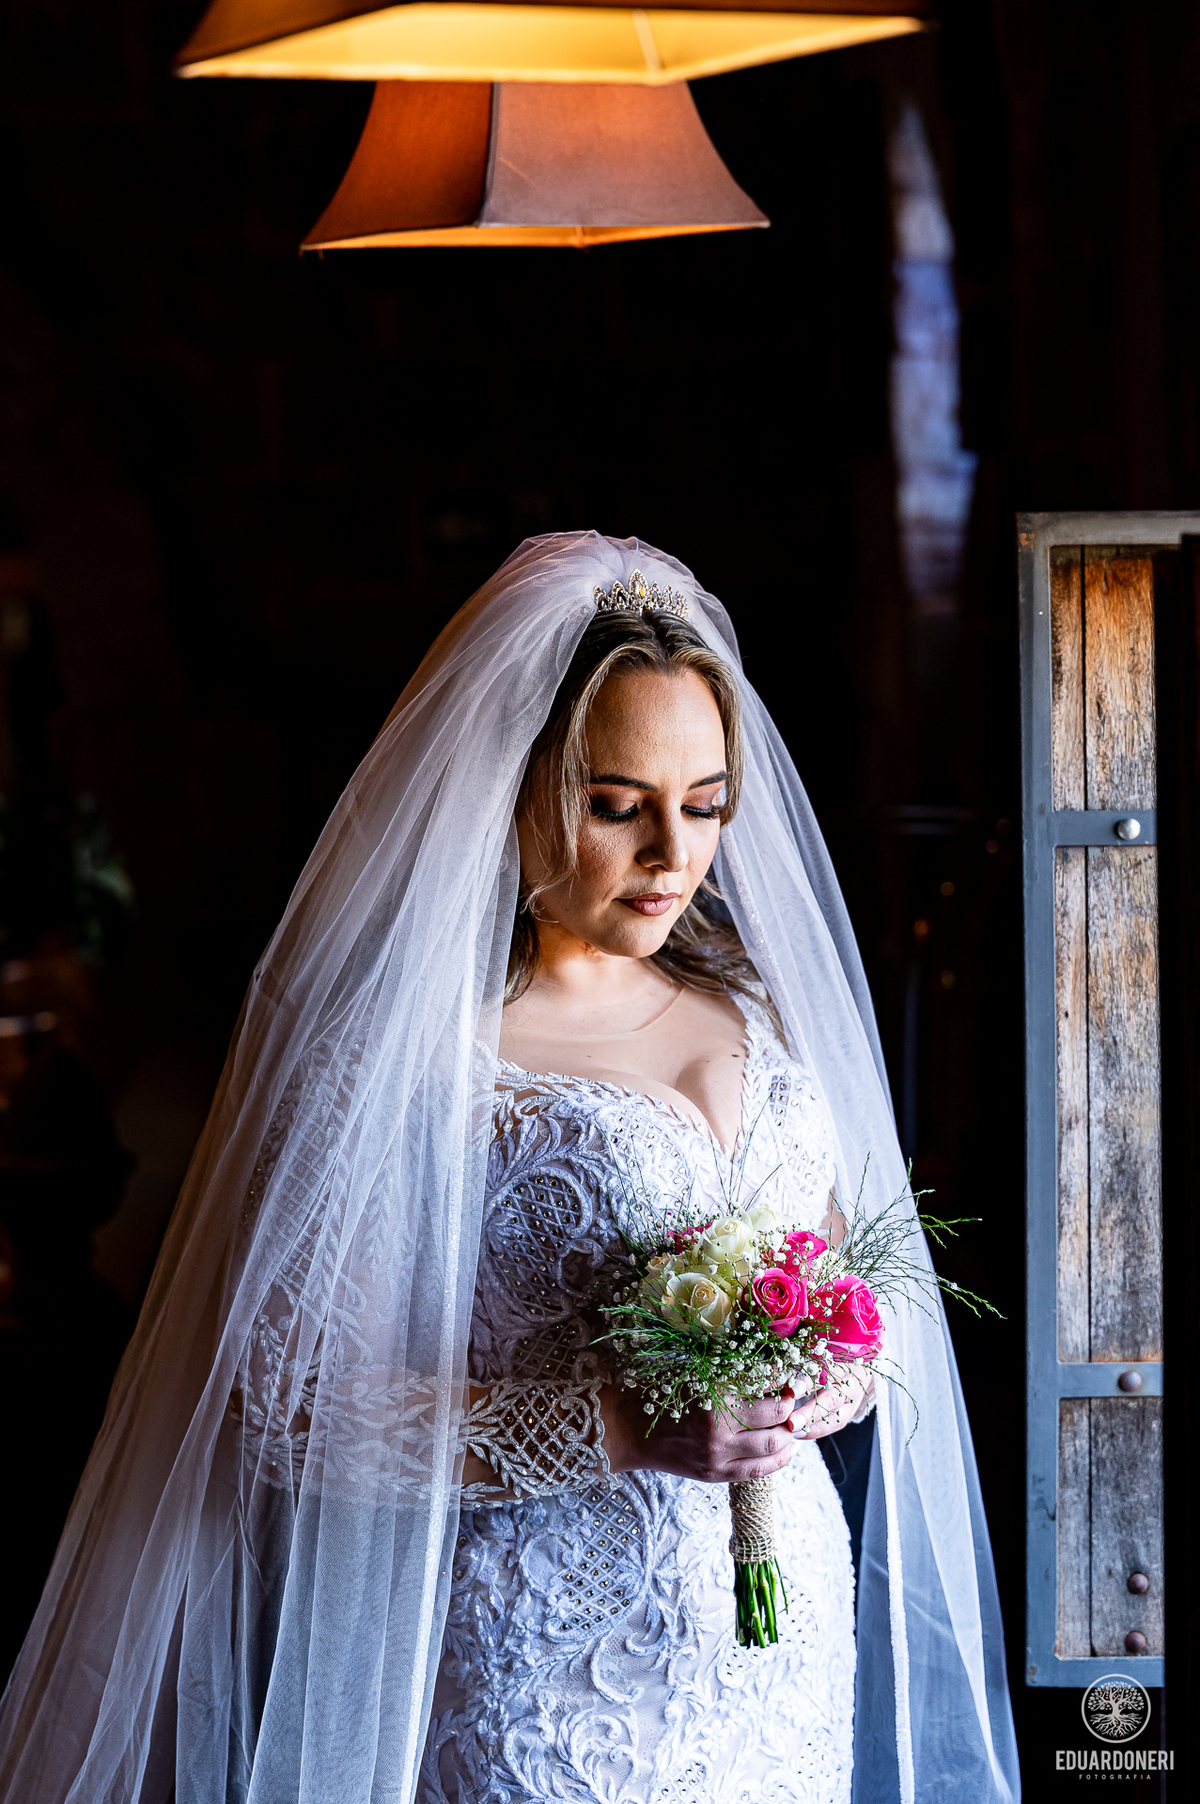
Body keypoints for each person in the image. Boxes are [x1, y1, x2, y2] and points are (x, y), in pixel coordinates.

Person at [0, 534, 1019, 1804]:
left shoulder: (756, 1006)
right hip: (544, 1673)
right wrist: (618, 1423)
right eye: (618, 805)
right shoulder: (408, 1059)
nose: (673, 854)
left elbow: (855, 1291)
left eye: (705, 803)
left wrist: (821, 1372)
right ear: (515, 784)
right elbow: (291, 1410)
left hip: (782, 1644)